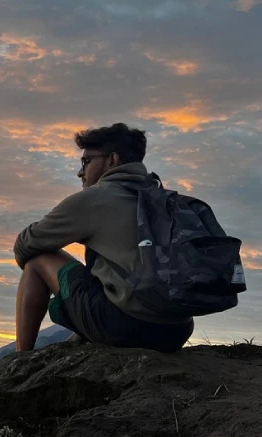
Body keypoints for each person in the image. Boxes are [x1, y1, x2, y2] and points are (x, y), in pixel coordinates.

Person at [13, 122, 195, 352]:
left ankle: (21, 358)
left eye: (86, 162)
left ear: (112, 160)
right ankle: (82, 334)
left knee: (38, 260)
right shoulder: (162, 199)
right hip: (178, 330)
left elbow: (25, 245)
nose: (80, 172)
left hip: (127, 327)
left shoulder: (97, 197)